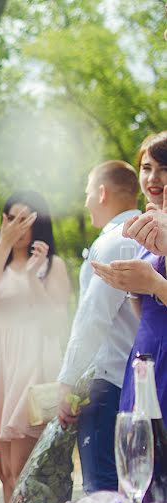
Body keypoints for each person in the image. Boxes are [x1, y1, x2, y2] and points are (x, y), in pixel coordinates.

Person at [0, 191, 71, 503]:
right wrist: (3, 242)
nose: (19, 226)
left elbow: (56, 322)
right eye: (12, 218)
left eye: (26, 219)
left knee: (24, 469)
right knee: (6, 473)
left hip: (32, 362)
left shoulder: (53, 265)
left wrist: (31, 278)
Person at [55, 161, 141, 494]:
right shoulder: (148, 236)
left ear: (102, 193)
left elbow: (92, 318)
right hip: (141, 383)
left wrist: (67, 380)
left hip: (110, 385)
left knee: (102, 494)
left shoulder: (113, 243)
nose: (87, 201)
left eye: (88, 192)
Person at [93, 133, 167, 416]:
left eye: (164, 169)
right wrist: (130, 283)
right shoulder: (142, 228)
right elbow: (145, 310)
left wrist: (153, 283)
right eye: (147, 168)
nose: (153, 178)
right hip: (145, 357)